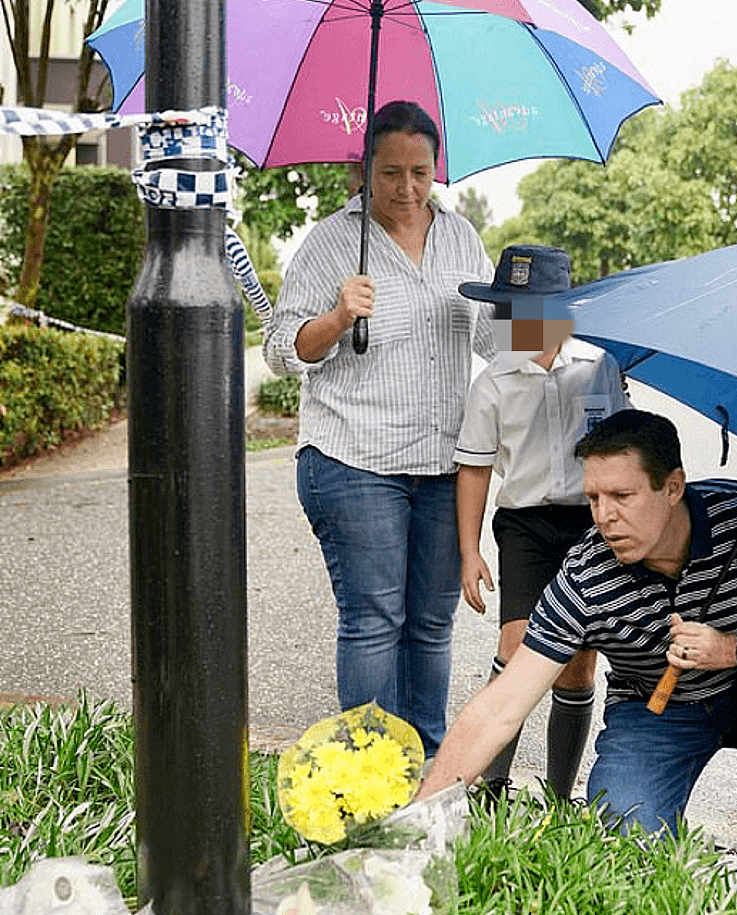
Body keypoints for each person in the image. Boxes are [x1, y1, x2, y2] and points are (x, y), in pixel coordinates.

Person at [417, 409, 737, 915]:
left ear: (672, 487)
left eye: (622, 497)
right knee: (627, 850)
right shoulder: (587, 575)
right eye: (593, 498)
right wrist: (418, 817)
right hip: (653, 711)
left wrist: (735, 647)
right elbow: (500, 707)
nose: (604, 517)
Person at [264, 100, 495, 757]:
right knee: (374, 618)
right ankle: (373, 768)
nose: (406, 188)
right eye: (390, 172)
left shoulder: (461, 239)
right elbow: (282, 348)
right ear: (365, 167)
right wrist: (337, 317)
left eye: (420, 172)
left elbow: (498, 338)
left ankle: (426, 766)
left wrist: (532, 307)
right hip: (352, 455)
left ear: (435, 168)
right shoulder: (332, 241)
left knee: (430, 622)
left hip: (444, 462)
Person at [454, 244, 631, 798]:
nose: (520, 324)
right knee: (518, 649)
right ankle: (491, 786)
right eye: (509, 313)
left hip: (590, 523)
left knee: (578, 662)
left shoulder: (599, 367)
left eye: (533, 313)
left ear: (564, 311)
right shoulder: (492, 383)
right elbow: (475, 470)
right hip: (525, 525)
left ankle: (559, 796)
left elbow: (626, 448)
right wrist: (470, 551)